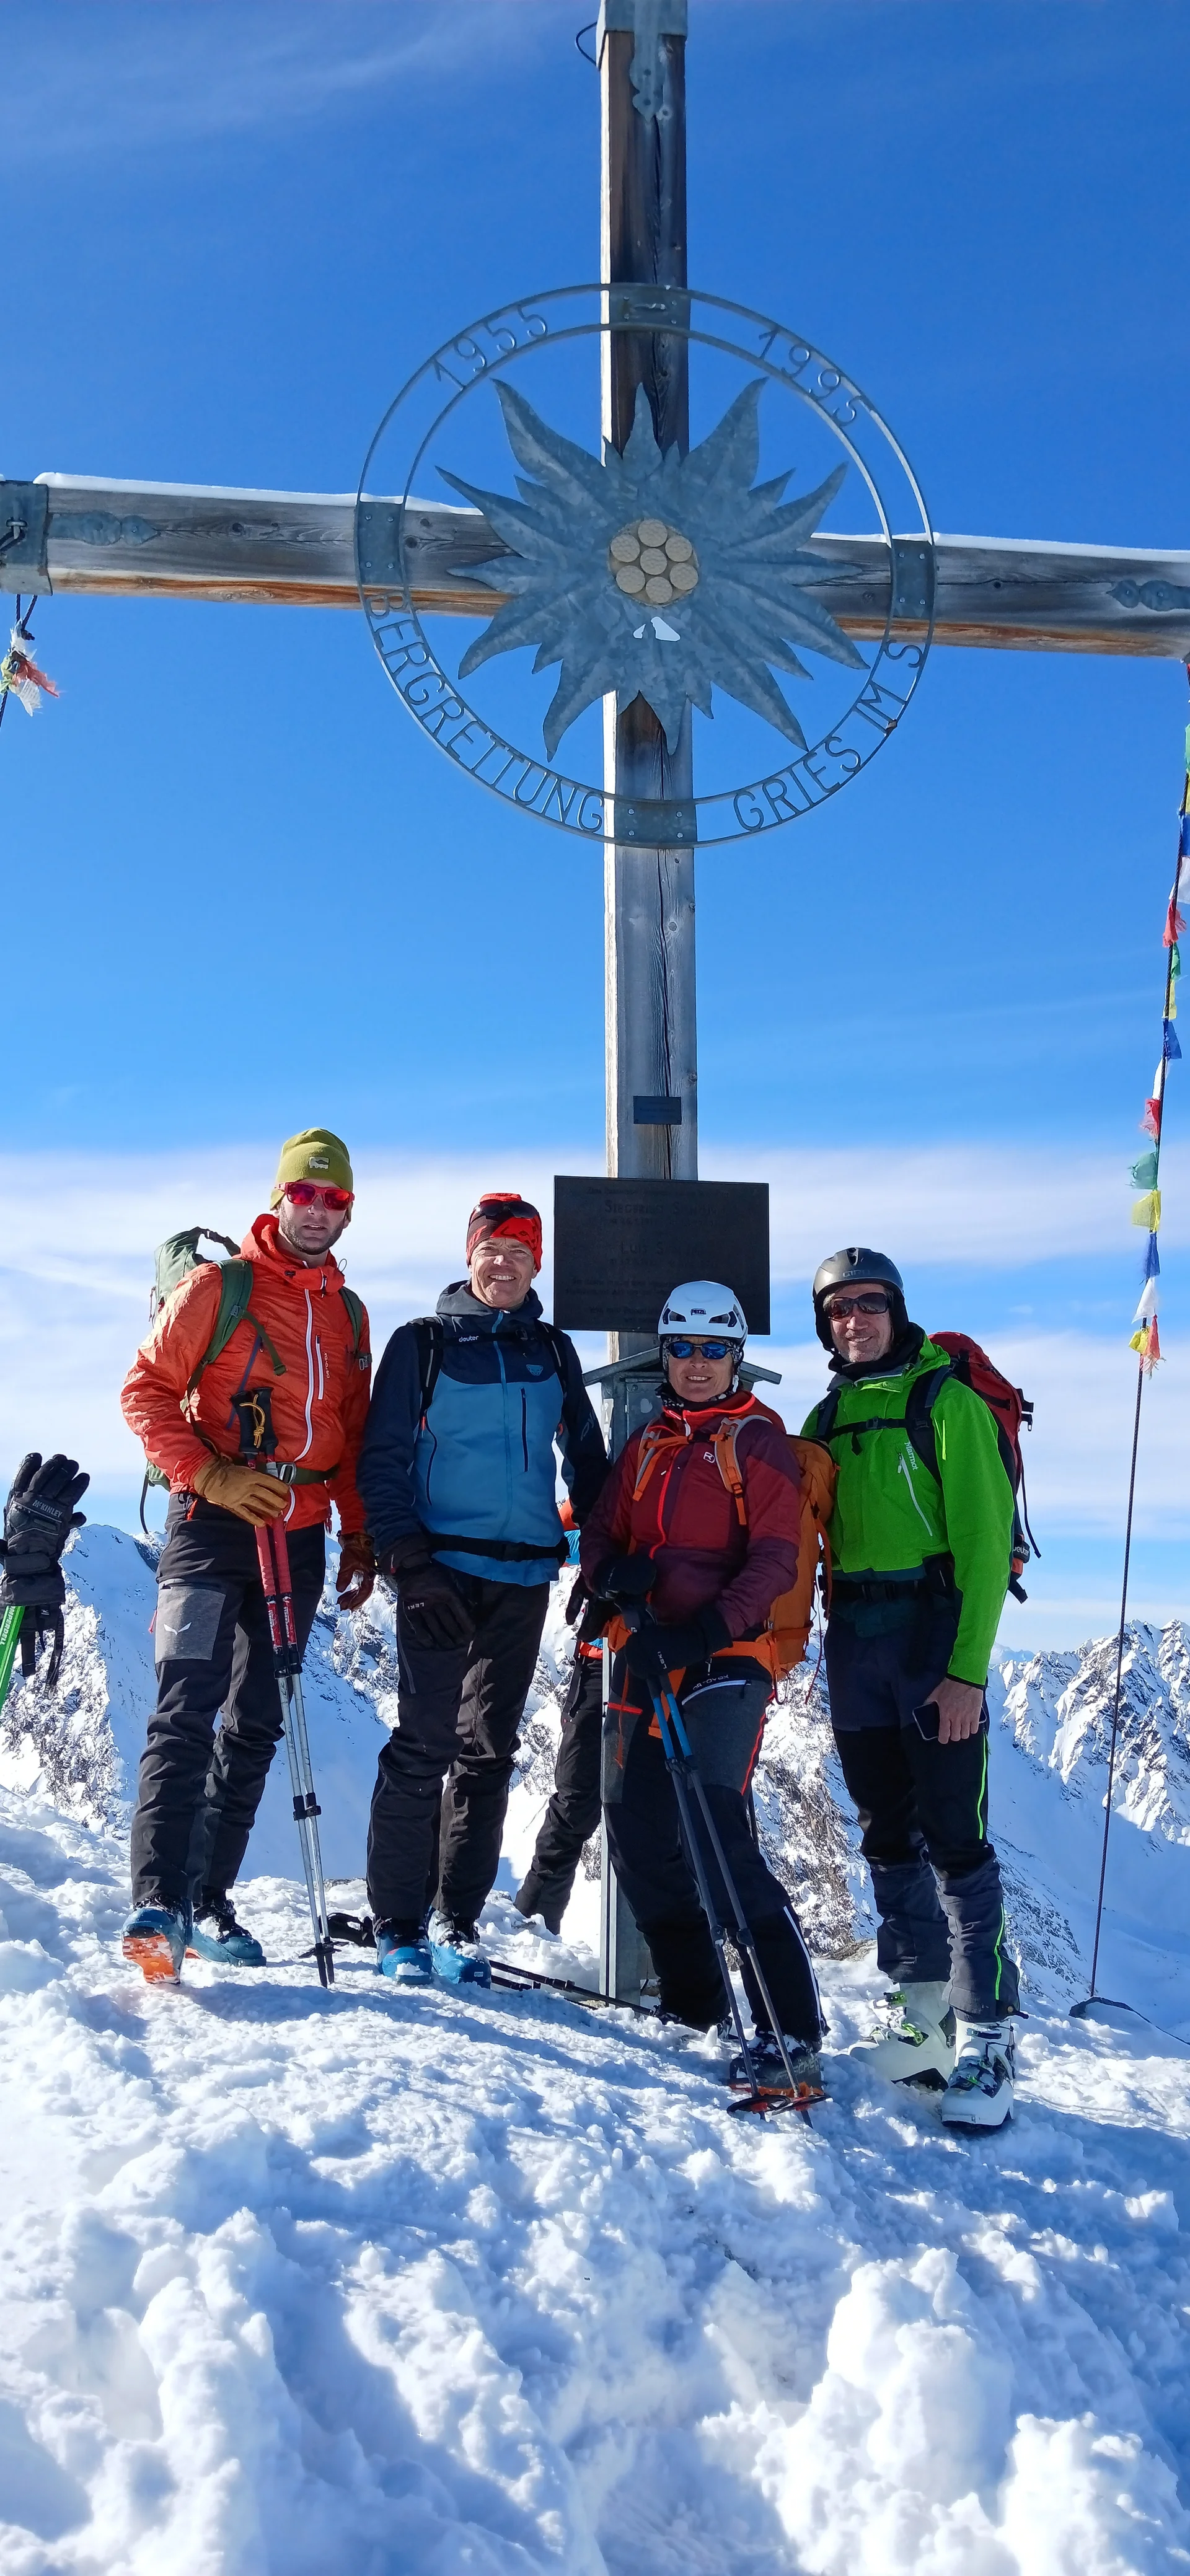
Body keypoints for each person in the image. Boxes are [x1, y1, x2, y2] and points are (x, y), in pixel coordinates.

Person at [119, 1128, 374, 1982]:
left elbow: (350, 1431)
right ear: (279, 1199)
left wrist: (358, 1532)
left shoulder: (347, 1313)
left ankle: (207, 1896)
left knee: (257, 1719)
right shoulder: (218, 1289)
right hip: (208, 1523)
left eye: (335, 1200)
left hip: (298, 1534)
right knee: (185, 1703)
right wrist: (213, 1475)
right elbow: (145, 1391)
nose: (319, 1212)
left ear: (348, 1211)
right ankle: (158, 1902)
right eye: (306, 1195)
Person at [358, 1191, 608, 1987]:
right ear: (470, 1257)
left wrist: (602, 1560)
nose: (505, 1264)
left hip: (525, 1575)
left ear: (540, 1265)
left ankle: (455, 1918)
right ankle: (399, 1922)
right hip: (441, 1573)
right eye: (492, 1250)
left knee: (489, 1753)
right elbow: (382, 1459)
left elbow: (589, 1462)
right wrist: (408, 1560)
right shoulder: (422, 1344)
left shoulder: (553, 1350)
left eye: (522, 1253)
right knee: (422, 1746)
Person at [580, 1281, 824, 2093]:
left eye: (712, 1348)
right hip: (649, 1649)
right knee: (639, 1824)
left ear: (736, 1355)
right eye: (681, 1347)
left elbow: (775, 1560)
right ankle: (697, 1999)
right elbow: (605, 1528)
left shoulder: (757, 1441)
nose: (695, 1363)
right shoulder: (649, 1441)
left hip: (726, 1655)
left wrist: (705, 1631)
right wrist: (611, 1578)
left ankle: (791, 2027)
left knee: (716, 1827)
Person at [803, 1248, 1020, 2130]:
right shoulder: (825, 1415)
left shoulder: (947, 1402)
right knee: (887, 1833)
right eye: (839, 1309)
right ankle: (922, 2012)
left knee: (955, 1837)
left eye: (869, 1305)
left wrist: (967, 1670)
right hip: (855, 1639)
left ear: (896, 1311)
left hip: (933, 1633)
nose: (854, 1320)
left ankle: (990, 2032)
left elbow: (981, 1540)